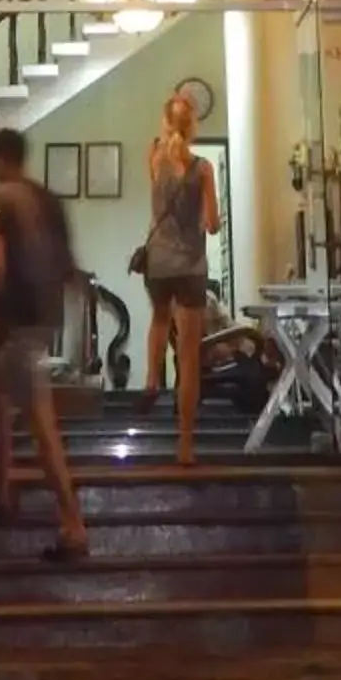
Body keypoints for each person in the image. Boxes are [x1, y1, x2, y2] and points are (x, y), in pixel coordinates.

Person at [0, 127, 88, 559]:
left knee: (40, 423)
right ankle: (1, 492)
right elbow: (69, 270)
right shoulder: (49, 201)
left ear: (2, 160)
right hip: (41, 319)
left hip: (14, 321)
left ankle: (73, 525)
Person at [142, 90, 221, 465]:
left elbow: (155, 199)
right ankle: (185, 443)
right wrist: (204, 220)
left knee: (159, 319)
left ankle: (151, 379)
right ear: (193, 126)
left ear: (165, 122)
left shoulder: (154, 155)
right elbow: (213, 223)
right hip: (190, 266)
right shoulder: (203, 167)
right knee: (189, 356)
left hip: (158, 263)